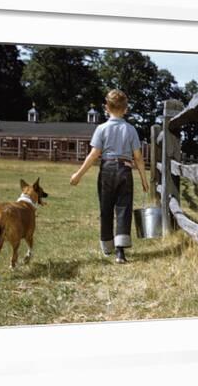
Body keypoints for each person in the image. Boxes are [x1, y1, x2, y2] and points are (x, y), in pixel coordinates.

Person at [70, 89, 149, 264]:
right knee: (123, 209)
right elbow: (138, 157)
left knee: (106, 209)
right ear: (126, 109)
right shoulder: (131, 130)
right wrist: (144, 179)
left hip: (106, 169)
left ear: (106, 108)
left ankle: (107, 247)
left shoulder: (101, 129)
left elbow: (93, 155)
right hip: (125, 170)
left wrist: (78, 175)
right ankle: (120, 252)